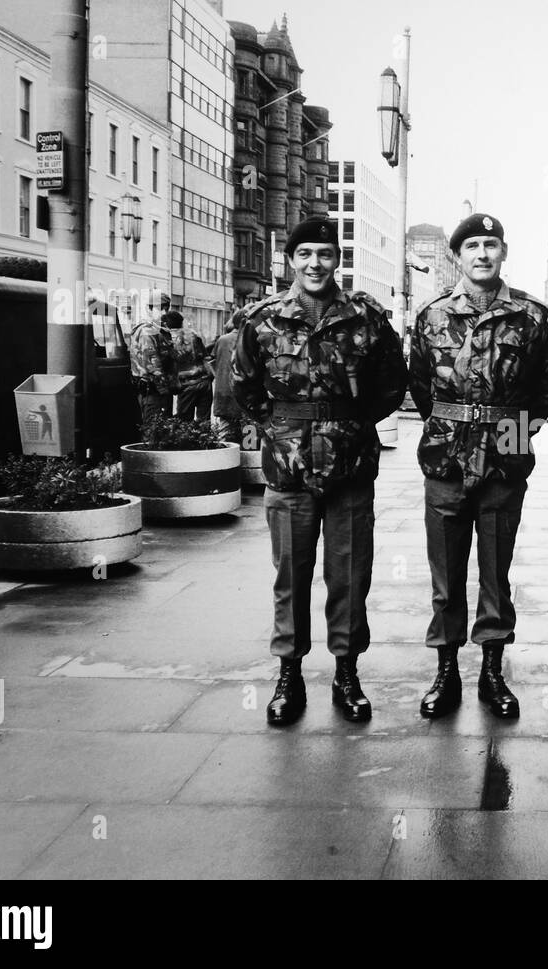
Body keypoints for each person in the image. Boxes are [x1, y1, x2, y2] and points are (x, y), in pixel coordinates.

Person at [233, 216, 407, 725]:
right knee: (290, 575)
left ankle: (347, 673)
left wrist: (348, 426)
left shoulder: (367, 317)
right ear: (291, 260)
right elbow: (244, 385)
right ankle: (289, 674)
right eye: (305, 254)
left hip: (351, 469)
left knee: (350, 575)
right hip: (288, 471)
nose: (315, 264)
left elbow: (392, 384)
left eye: (325, 254)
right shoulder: (263, 319)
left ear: (337, 259)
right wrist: (281, 429)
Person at [408, 213, 548, 719]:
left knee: (496, 569)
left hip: (504, 455)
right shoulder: (431, 316)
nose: (482, 254)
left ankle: (492, 670)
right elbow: (420, 388)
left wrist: (521, 430)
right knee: (447, 573)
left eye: (490, 245)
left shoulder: (532, 316)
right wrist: (449, 427)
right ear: (458, 255)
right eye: (472, 245)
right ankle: (446, 669)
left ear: (502, 252)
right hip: (446, 458)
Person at [129, 296, 176, 424]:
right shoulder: (147, 331)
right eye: (160, 309)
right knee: (154, 432)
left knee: (163, 430)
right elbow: (153, 365)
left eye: (166, 308)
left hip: (161, 390)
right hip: (153, 390)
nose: (164, 313)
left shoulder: (161, 330)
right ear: (149, 309)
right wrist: (166, 389)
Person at [166, 311, 211, 421]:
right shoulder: (193, 334)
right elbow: (205, 357)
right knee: (204, 422)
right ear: (181, 322)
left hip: (186, 385)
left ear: (167, 324)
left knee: (185, 423)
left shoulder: (168, 339)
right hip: (204, 382)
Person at [207, 310, 244, 443]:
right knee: (248, 434)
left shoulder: (223, 339)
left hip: (223, 391)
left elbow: (211, 361)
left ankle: (225, 457)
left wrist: (218, 376)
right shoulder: (251, 339)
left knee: (225, 433)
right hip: (245, 394)